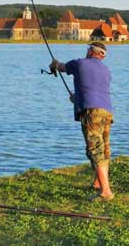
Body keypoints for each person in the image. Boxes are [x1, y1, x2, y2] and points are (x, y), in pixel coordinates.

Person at [50, 41, 114, 201]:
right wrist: (77, 98)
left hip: (91, 112)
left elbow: (63, 67)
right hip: (107, 112)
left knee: (94, 149)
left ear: (93, 51)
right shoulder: (106, 71)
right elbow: (95, 90)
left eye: (88, 49)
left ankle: (106, 191)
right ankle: (98, 183)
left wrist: (55, 63)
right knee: (104, 148)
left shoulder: (80, 63)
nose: (86, 51)